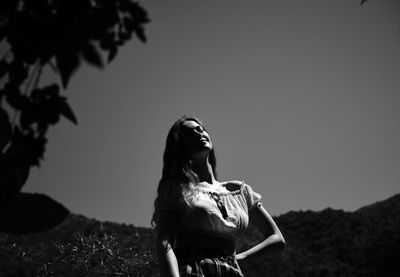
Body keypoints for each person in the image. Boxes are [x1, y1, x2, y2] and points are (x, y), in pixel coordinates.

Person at [152, 116, 285, 277]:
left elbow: (277, 238)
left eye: (200, 130)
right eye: (189, 134)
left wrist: (241, 257)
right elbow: (164, 243)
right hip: (194, 268)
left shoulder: (240, 190)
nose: (198, 134)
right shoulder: (176, 188)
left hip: (232, 271)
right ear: (180, 147)